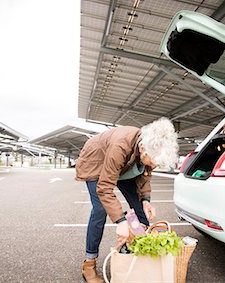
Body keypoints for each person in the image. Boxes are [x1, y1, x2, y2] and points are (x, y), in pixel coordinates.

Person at [75, 117, 179, 283]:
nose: (153, 166)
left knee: (139, 207)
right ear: (143, 149)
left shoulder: (148, 149)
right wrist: (121, 222)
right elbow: (104, 188)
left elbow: (145, 174)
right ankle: (89, 264)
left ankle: (139, 248)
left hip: (122, 165)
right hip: (96, 162)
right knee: (100, 209)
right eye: (153, 162)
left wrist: (145, 199)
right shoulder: (120, 145)